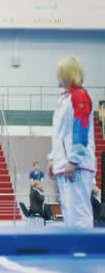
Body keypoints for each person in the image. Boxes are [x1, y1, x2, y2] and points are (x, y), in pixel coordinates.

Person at [47, 56, 95, 228]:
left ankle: (86, 251)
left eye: (59, 73)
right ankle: (76, 251)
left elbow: (80, 130)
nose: (57, 76)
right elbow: (59, 135)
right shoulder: (64, 99)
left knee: (79, 213)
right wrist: (53, 159)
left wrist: (74, 160)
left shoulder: (79, 96)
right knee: (69, 214)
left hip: (77, 164)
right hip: (65, 163)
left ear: (67, 74)